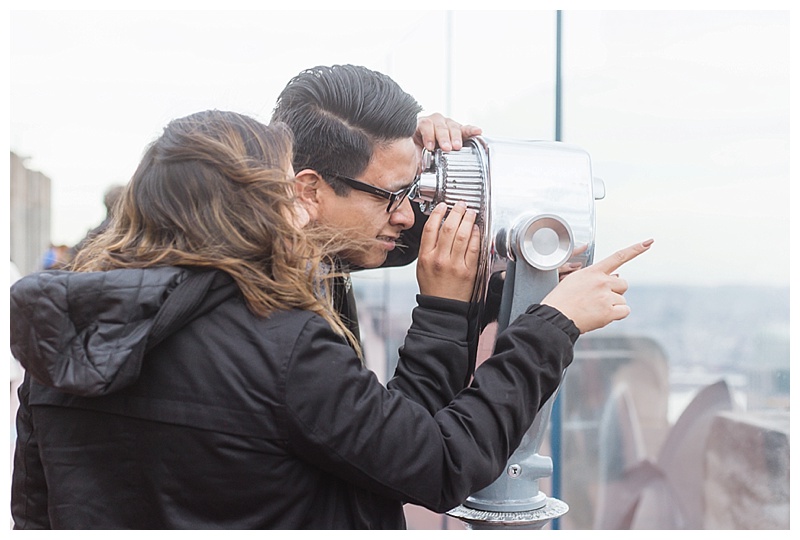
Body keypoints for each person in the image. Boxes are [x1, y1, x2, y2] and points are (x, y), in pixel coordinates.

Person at [10, 109, 652, 529]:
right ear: (249, 206)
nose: (302, 204)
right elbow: (438, 464)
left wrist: (411, 174)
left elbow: (37, 512)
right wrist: (551, 325)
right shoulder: (279, 345)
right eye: (285, 189)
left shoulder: (65, 337)